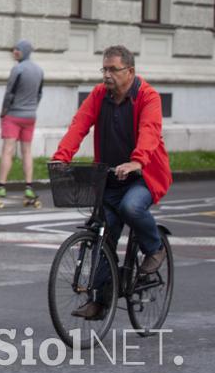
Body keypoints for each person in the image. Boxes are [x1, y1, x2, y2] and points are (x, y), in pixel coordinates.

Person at [51, 45, 172, 319]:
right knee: (102, 233)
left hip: (144, 176)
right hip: (110, 178)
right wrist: (61, 157)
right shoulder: (98, 95)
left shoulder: (147, 96)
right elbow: (79, 125)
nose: (106, 75)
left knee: (131, 207)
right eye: (104, 69)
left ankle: (155, 248)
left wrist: (137, 161)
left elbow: (150, 131)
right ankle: (99, 301)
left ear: (129, 72)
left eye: (112, 70)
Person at [0, 39, 45, 206]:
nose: (14, 52)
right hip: (30, 116)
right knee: (27, 151)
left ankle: (1, 186)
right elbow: (40, 94)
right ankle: (28, 186)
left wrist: (3, 112)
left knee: (8, 150)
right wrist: (32, 108)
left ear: (25, 51)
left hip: (13, 115)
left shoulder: (18, 69)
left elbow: (9, 94)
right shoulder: (39, 70)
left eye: (18, 50)